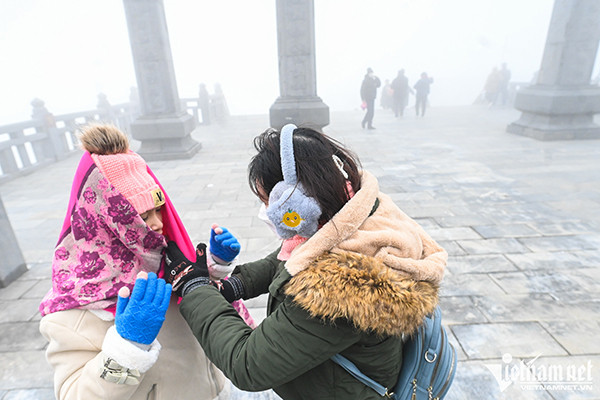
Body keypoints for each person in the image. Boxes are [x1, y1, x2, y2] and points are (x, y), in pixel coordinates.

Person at [164, 124, 447, 399]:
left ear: (297, 204)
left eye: (269, 201)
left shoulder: (338, 289)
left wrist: (195, 288)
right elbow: (294, 258)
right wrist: (236, 284)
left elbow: (247, 364)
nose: (268, 211)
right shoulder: (353, 217)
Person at [38, 124, 253, 399]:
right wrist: (128, 346)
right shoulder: (74, 310)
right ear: (107, 223)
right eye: (141, 216)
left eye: (158, 210)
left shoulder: (168, 261)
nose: (157, 223)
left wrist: (213, 267)